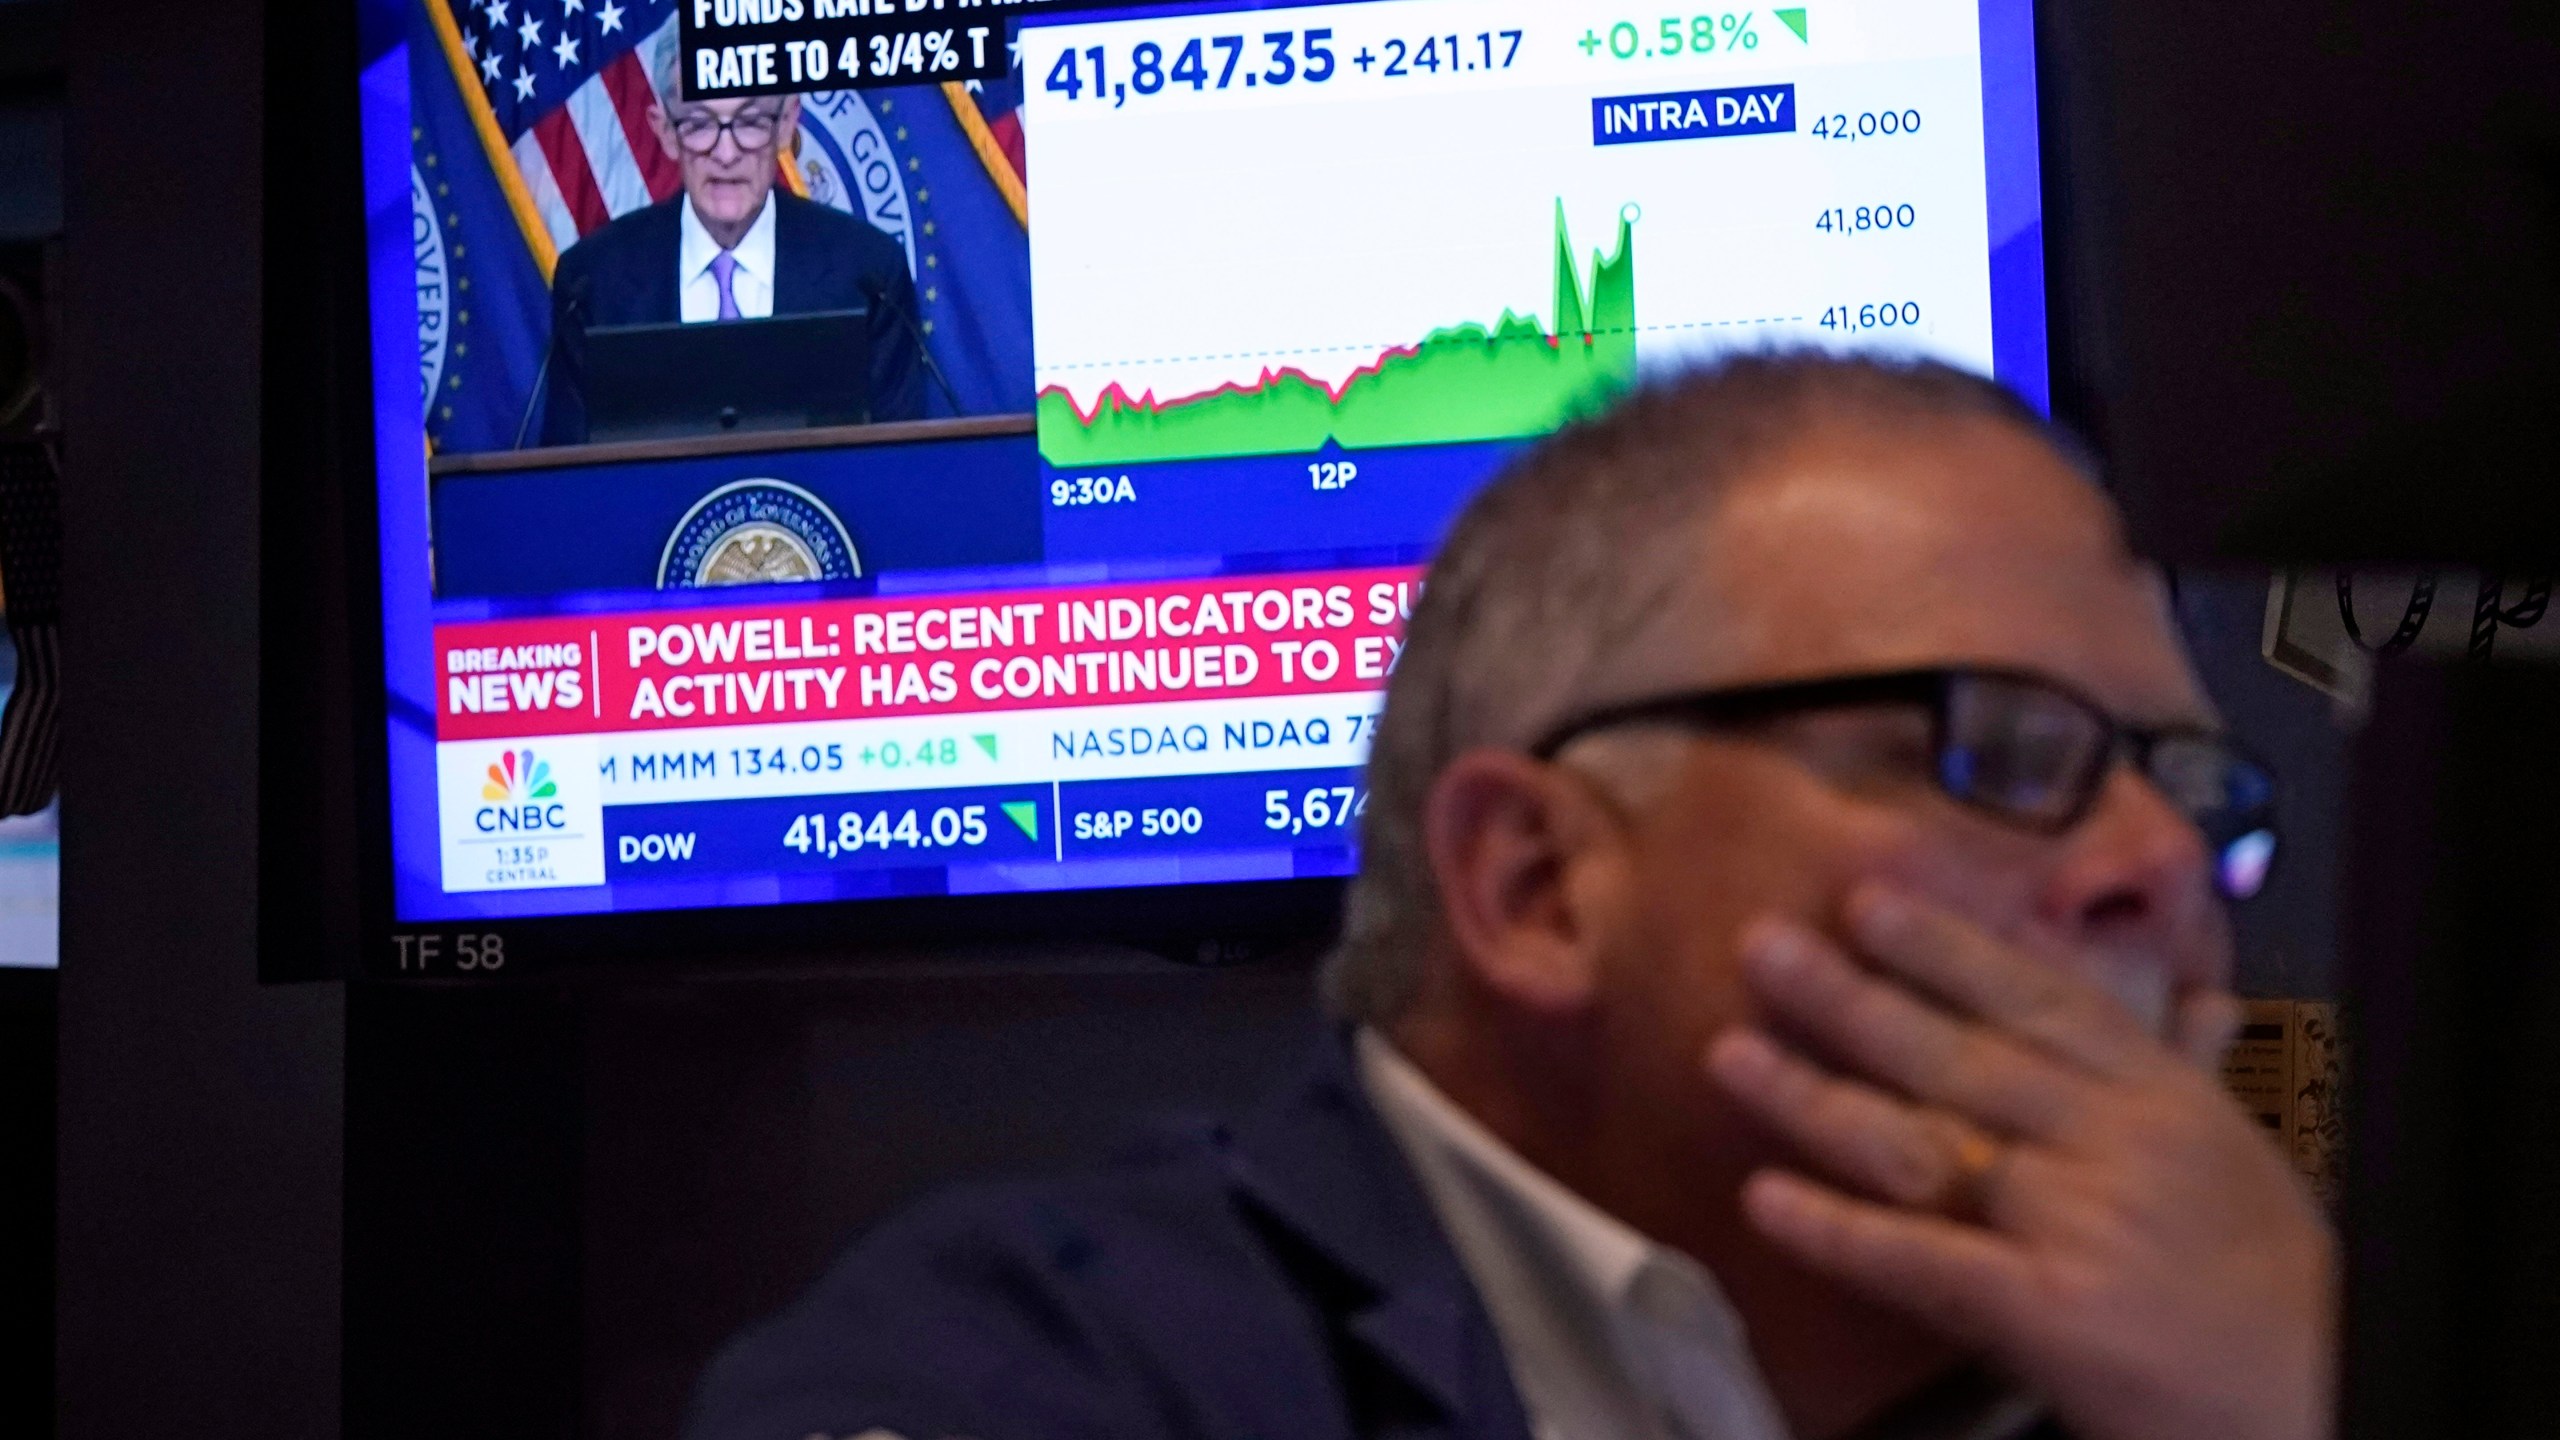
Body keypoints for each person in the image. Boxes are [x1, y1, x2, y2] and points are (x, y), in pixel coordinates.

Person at [683, 354, 2337, 1440]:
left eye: (2196, 792)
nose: (2157, 872)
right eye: (2000, 748)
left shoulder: (2239, 1366)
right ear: (1536, 884)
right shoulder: (1022, 1377)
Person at [537, 50, 923, 445]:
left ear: (786, 123)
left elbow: (899, 467)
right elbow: (568, 479)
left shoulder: (866, 274)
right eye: (700, 124)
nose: (726, 154)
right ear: (666, 131)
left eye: (751, 122)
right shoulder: (595, 282)